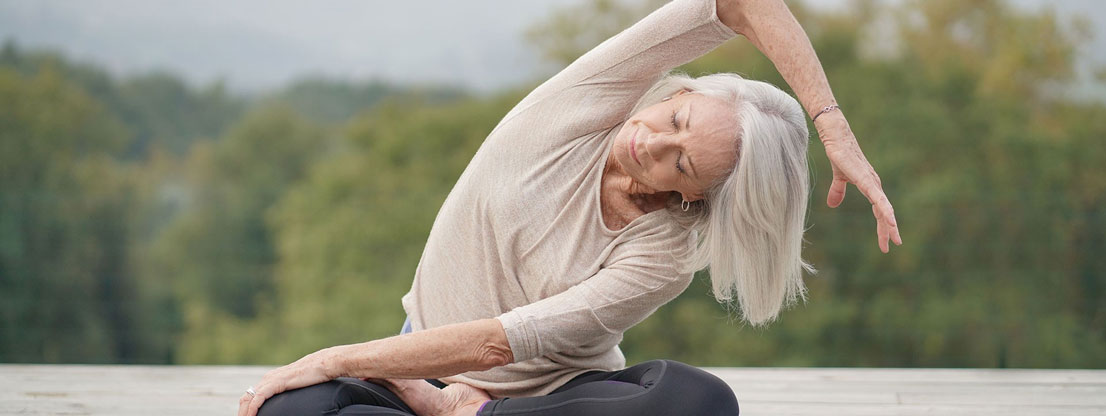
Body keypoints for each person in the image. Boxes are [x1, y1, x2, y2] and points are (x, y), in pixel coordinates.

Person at [239, 0, 902, 414]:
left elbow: (501, 341)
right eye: (675, 115)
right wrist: (830, 122)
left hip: (551, 404)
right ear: (677, 93)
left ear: (697, 196)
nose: (651, 140)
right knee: (293, 411)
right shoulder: (584, 105)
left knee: (700, 402)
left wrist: (337, 357)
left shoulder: (666, 254)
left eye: (681, 162)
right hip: (416, 376)